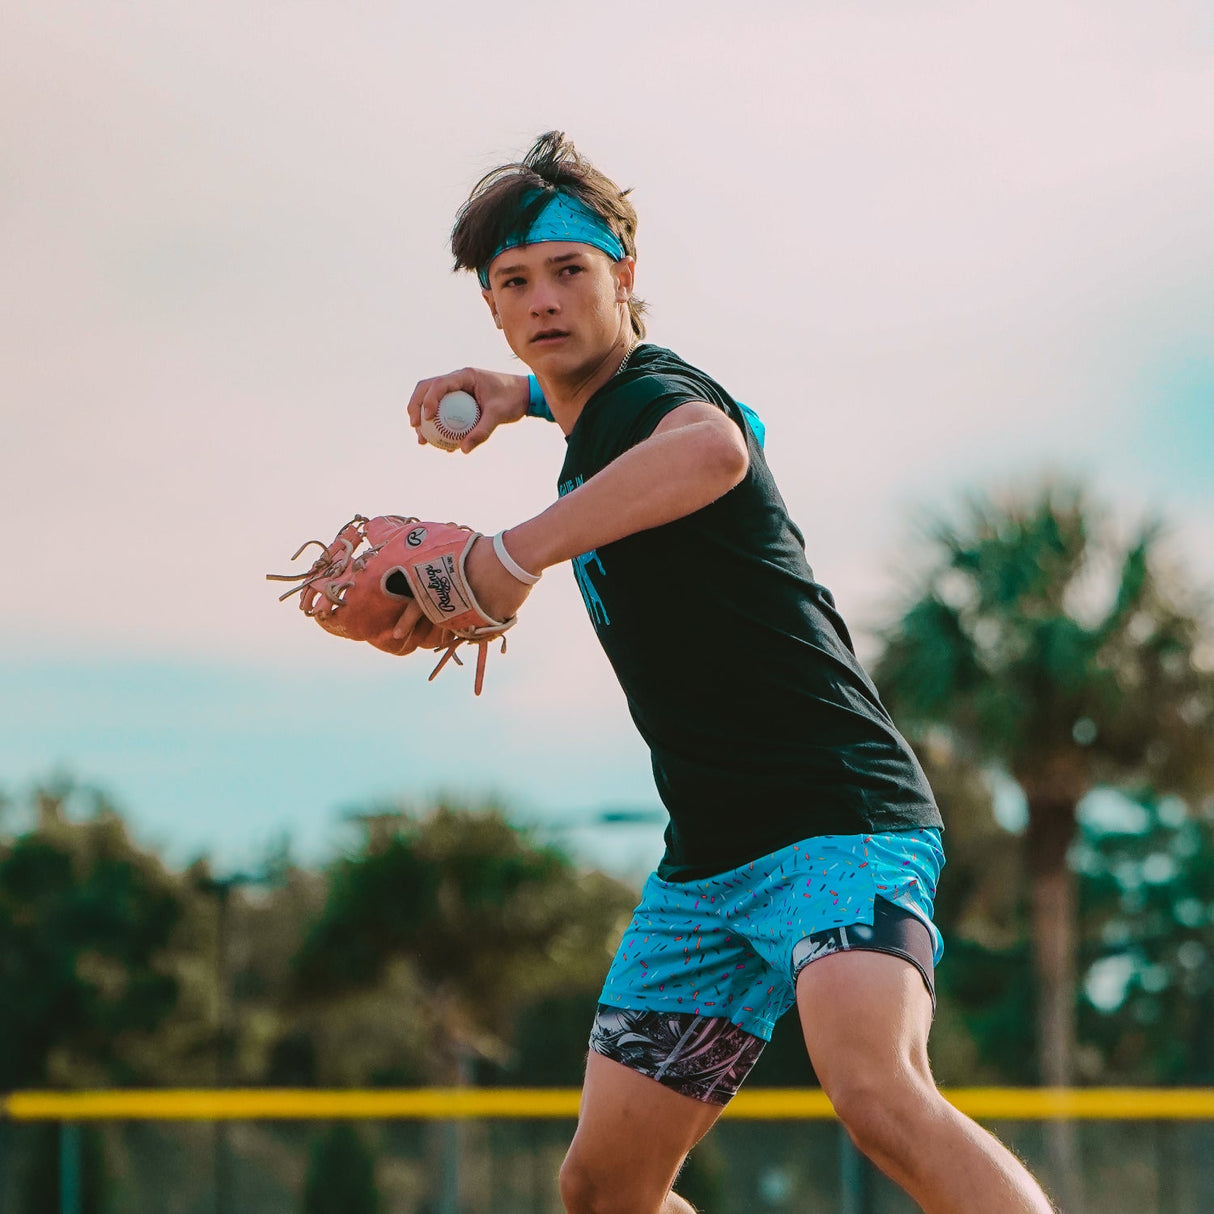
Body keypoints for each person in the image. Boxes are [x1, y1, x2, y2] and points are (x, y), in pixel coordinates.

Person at [400, 132, 1055, 1214]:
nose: (543, 298)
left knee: (875, 1088)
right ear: (492, 306)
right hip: (705, 870)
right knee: (607, 1186)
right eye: (513, 282)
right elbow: (605, 413)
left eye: (569, 270)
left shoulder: (660, 393)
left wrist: (504, 557)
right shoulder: (595, 420)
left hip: (835, 820)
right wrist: (517, 397)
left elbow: (711, 449)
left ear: (624, 277)